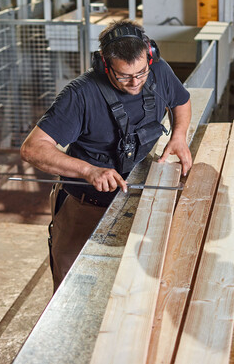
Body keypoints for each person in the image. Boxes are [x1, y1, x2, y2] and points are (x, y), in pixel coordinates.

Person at [20, 19, 192, 289]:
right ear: (104, 64)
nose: (135, 83)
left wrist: (179, 135)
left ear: (149, 56)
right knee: (74, 285)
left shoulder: (158, 71)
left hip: (139, 198)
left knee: (131, 285)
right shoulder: (79, 95)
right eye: (124, 76)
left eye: (141, 73)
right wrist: (89, 171)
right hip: (87, 205)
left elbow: (181, 101)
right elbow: (33, 148)